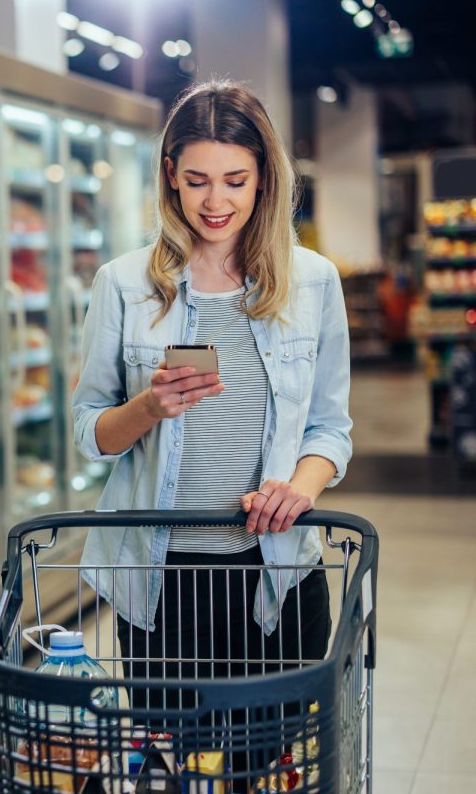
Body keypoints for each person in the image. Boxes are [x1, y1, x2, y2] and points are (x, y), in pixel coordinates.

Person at [70, 80, 353, 781]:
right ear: (169, 174)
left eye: (235, 180)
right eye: (196, 180)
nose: (215, 201)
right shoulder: (125, 284)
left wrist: (298, 487)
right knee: (174, 768)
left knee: (266, 768)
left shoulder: (312, 283)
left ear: (265, 178)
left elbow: (331, 428)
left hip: (278, 575)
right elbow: (87, 432)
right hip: (164, 585)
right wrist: (148, 408)